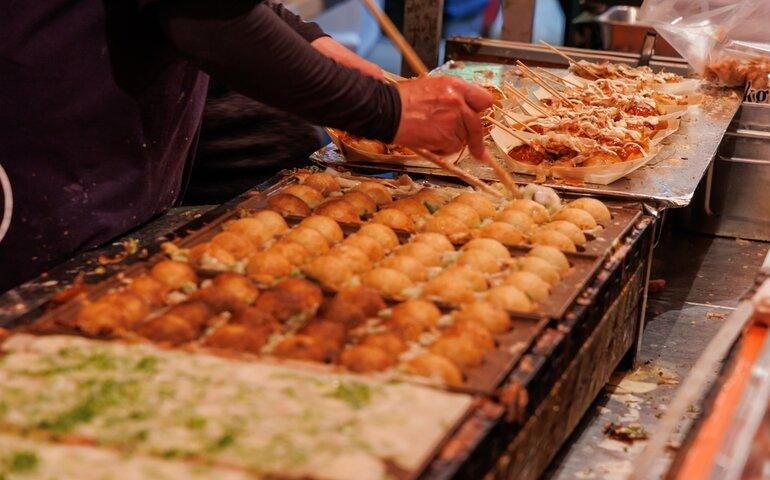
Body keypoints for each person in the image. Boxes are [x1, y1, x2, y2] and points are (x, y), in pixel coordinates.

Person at [0, 0, 492, 292]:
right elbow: (206, 16)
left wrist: (307, 40)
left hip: (103, 161)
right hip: (39, 157)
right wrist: (388, 110)